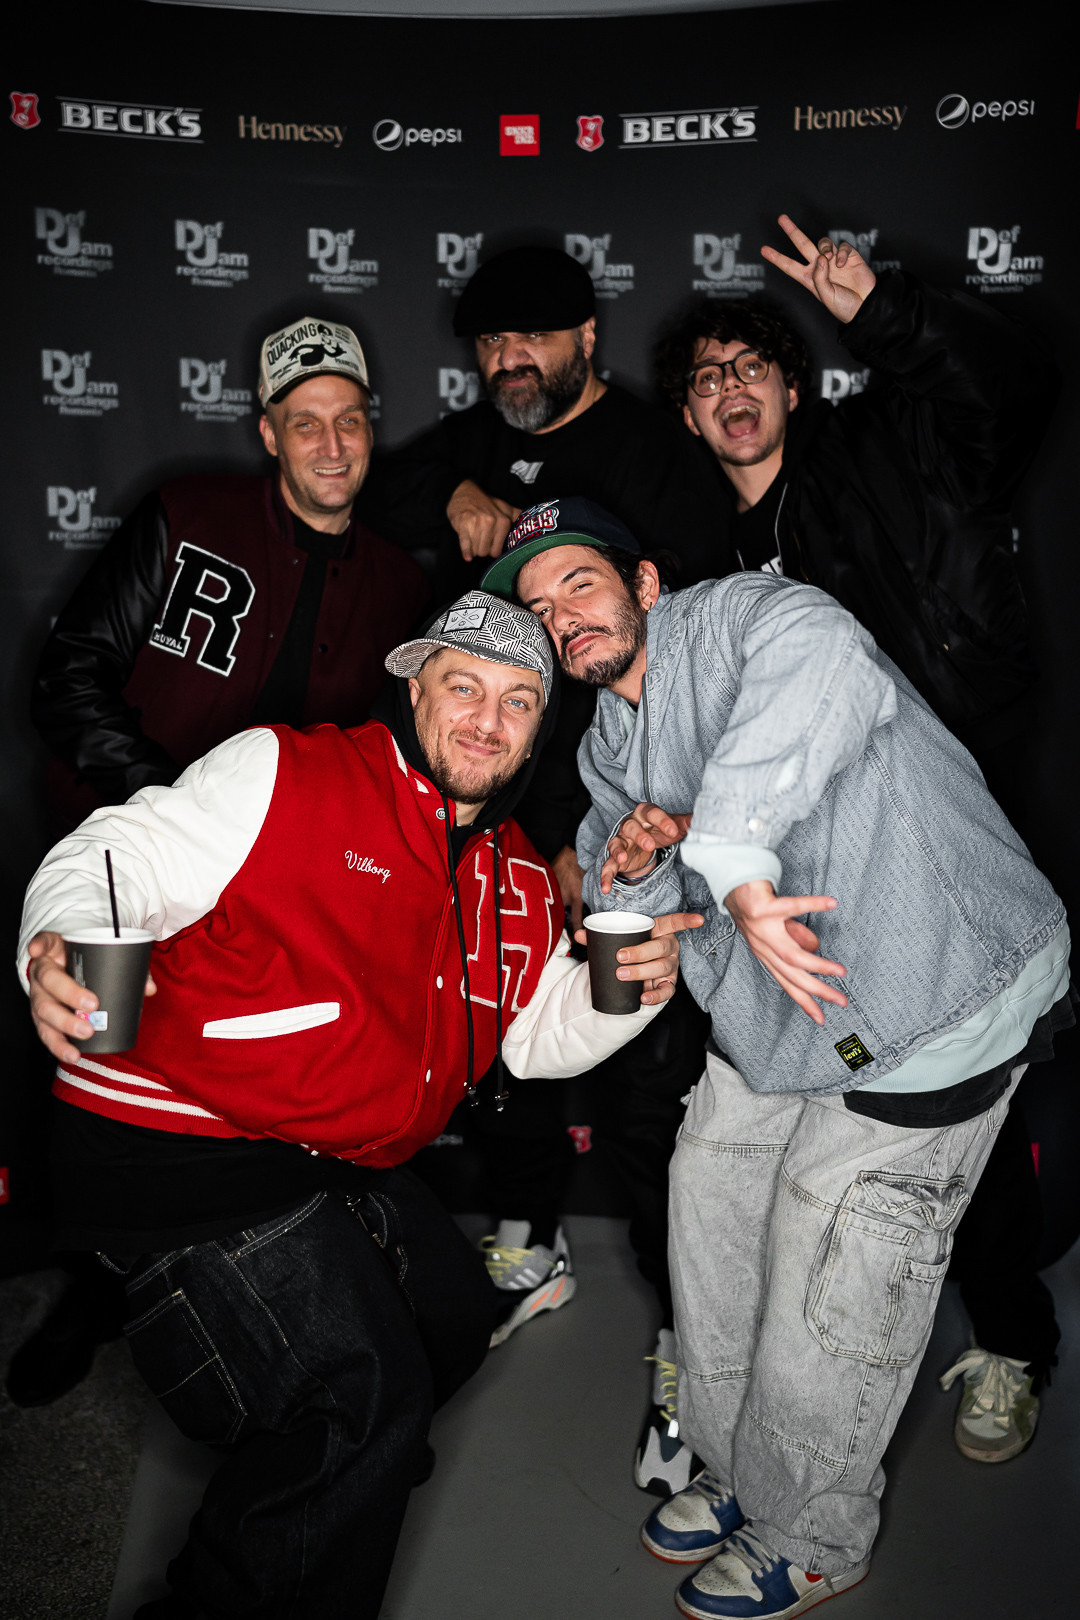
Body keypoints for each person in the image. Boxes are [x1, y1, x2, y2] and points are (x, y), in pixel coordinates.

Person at [17, 589, 700, 1620]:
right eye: (463, 687)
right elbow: (119, 854)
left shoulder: (515, 875)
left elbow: (532, 1035)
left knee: (452, 1319)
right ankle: (311, 1508)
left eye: (518, 702)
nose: (486, 720)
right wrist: (64, 941)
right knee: (361, 1396)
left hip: (326, 1157)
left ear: (540, 729)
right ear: (414, 688)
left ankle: (322, 1497)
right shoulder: (287, 771)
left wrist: (630, 992)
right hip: (176, 1140)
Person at [486, 501, 1070, 1620]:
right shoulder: (607, 739)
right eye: (541, 607)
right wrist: (638, 863)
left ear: (644, 584)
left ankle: (813, 1532)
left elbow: (821, 658)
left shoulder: (751, 617)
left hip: (935, 988)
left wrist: (729, 853)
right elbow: (627, 888)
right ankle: (742, 1470)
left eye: (580, 584)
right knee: (711, 1205)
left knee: (832, 1247)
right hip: (781, 1020)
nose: (563, 617)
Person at [655, 214, 1066, 1462]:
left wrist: (884, 313)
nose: (731, 388)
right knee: (839, 1110)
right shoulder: (704, 570)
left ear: (795, 388)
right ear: (689, 417)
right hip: (824, 880)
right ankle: (796, 1366)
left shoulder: (884, 453)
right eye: (707, 378)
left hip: (952, 832)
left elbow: (1014, 391)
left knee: (959, 1092)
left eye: (752, 367)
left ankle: (1012, 1341)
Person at [6, 317, 429, 1411]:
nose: (330, 444)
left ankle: (201, 1291)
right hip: (133, 856)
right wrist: (176, 811)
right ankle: (84, 1290)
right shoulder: (187, 514)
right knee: (87, 1073)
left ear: (371, 431)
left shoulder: (398, 582)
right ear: (269, 433)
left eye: (348, 421)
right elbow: (69, 678)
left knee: (214, 1091)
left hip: (273, 906)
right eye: (304, 423)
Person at [368, 244, 724, 1490]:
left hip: (630, 828)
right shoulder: (475, 438)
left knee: (650, 1099)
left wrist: (599, 833)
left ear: (586, 336)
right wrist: (461, 492)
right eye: (490, 343)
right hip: (501, 828)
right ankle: (530, 1242)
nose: (508, 361)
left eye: (530, 338)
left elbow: (686, 658)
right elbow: (379, 490)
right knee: (498, 1036)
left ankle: (693, 1348)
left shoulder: (654, 456)